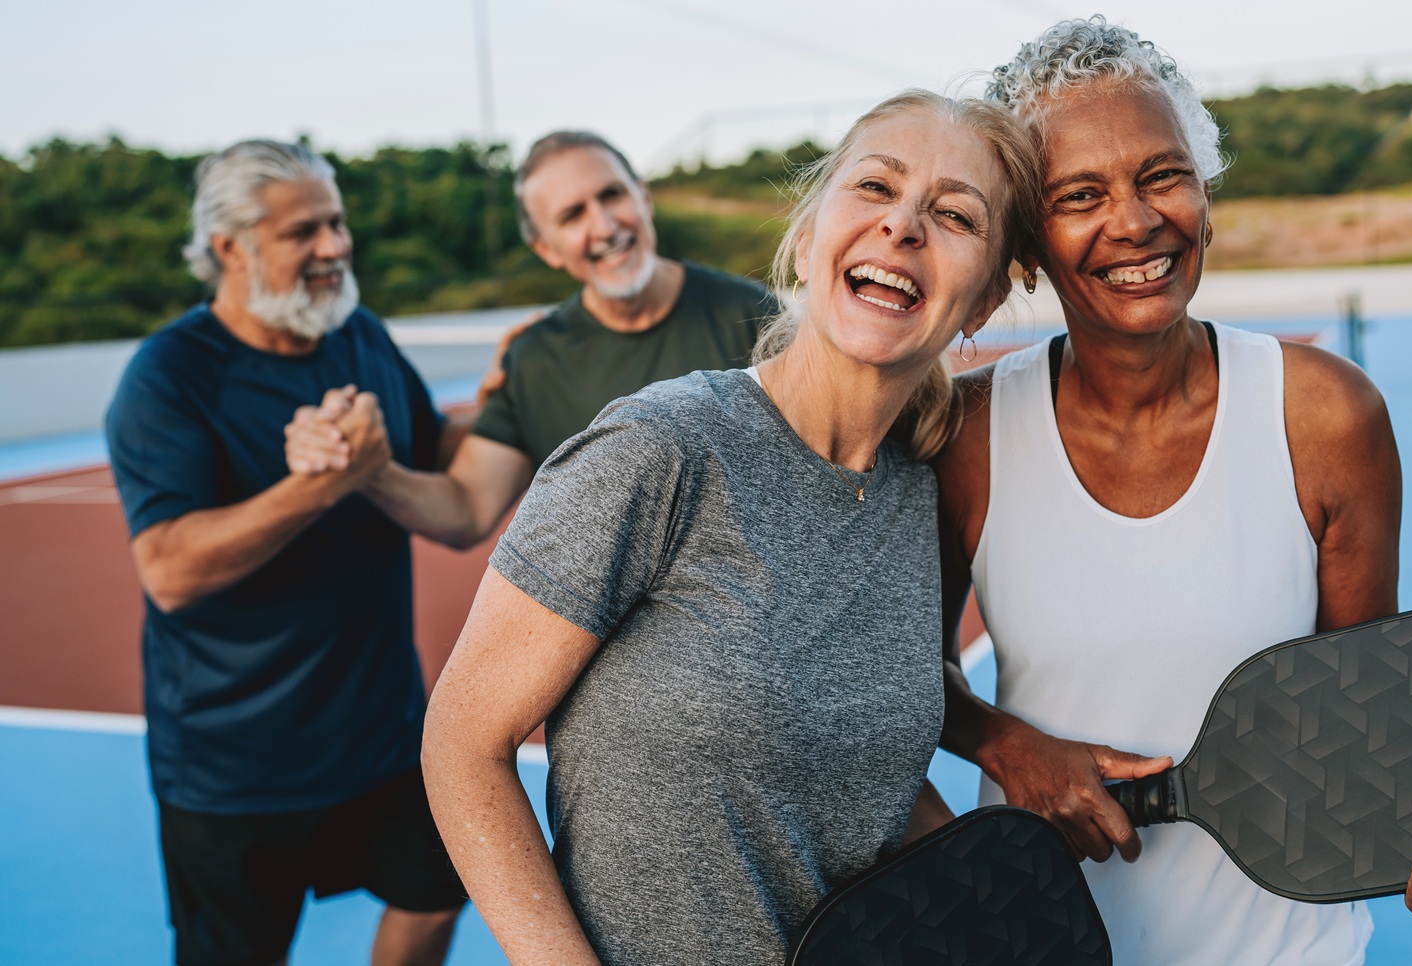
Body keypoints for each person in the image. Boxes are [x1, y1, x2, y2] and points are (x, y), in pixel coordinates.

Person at [933, 17, 1412, 965]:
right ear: (1027, 239)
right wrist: (1002, 743)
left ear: (1204, 193)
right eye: (1078, 195)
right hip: (1042, 941)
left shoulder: (1327, 417)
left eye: (1161, 174)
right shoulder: (967, 436)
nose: (1136, 221)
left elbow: (1366, 718)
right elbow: (897, 684)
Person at [418, 89, 1041, 965]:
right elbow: (459, 744)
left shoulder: (913, 497)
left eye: (953, 215)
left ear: (979, 303)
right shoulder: (662, 447)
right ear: (807, 236)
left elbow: (858, 795)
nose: (902, 225)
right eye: (874, 188)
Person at [104, 139, 464, 966]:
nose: (335, 246)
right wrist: (322, 483)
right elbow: (171, 569)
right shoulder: (169, 376)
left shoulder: (359, 336)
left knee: (436, 892)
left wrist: (531, 393)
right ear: (231, 248)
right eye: (304, 231)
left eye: (336, 223)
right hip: (235, 767)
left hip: (381, 735)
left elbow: (437, 447)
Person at [285, 131, 774, 549]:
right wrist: (370, 470)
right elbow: (468, 508)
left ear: (643, 198)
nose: (603, 226)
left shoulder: (754, 316)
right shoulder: (534, 356)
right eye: (572, 216)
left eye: (612, 196)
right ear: (546, 249)